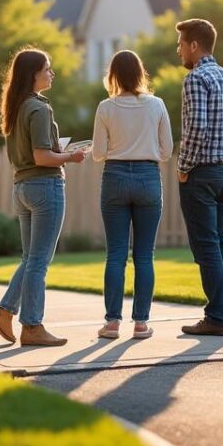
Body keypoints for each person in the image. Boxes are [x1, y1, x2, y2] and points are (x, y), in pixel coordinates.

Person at [0, 48, 87, 347]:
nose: (52, 73)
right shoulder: (39, 109)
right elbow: (42, 157)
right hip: (45, 187)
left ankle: (4, 312)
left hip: (22, 188)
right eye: (47, 68)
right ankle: (32, 326)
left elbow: (32, 153)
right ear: (33, 74)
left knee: (30, 258)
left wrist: (59, 152)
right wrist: (71, 156)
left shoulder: (16, 106)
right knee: (39, 262)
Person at [91, 50, 173, 340]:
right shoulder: (157, 104)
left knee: (115, 254)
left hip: (114, 177)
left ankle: (112, 323)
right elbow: (167, 150)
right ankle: (140, 324)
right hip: (148, 177)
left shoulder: (105, 107)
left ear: (113, 74)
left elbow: (98, 153)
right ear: (140, 73)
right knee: (144, 255)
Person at [174, 18, 223, 336]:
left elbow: (197, 128)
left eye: (180, 44)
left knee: (206, 247)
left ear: (194, 45)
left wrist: (184, 167)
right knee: (220, 244)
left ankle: (216, 317)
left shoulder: (195, 78)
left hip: (200, 174)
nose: (178, 51)